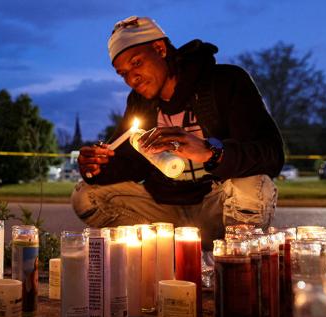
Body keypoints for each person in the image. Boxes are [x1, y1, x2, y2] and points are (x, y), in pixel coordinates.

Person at [71, 16, 284, 249]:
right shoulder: (140, 102)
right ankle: (161, 254)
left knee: (254, 184)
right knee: (86, 195)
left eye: (136, 63)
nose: (131, 78)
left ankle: (233, 262)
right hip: (164, 210)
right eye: (123, 73)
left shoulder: (225, 81)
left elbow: (271, 154)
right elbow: (131, 164)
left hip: (216, 207)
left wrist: (210, 152)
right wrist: (98, 167)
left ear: (159, 49)